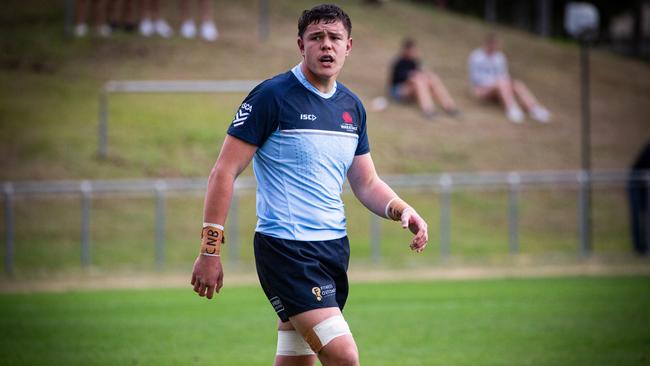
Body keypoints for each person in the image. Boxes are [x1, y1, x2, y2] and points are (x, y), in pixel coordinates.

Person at [190, 4, 428, 366]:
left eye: (335, 38)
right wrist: (210, 250)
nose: (326, 46)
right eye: (317, 38)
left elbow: (366, 182)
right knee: (343, 356)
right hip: (286, 251)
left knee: (296, 360)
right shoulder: (272, 96)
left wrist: (402, 210)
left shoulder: (352, 107)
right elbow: (223, 172)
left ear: (349, 46)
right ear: (301, 44)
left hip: (332, 249)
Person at [468, 33, 551, 123]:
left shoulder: (499, 57)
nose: (497, 48)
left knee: (517, 84)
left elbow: (504, 74)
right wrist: (497, 81)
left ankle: (534, 109)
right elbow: (476, 79)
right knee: (501, 82)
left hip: (501, 86)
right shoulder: (476, 57)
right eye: (495, 45)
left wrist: (506, 81)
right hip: (482, 90)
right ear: (488, 44)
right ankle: (511, 108)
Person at [390, 38, 459, 118]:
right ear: (406, 50)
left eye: (415, 50)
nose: (414, 52)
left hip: (413, 89)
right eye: (412, 50)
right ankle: (428, 110)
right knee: (418, 81)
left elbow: (421, 73)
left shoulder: (415, 62)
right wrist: (413, 76)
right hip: (398, 91)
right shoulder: (399, 62)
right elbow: (399, 79)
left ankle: (449, 106)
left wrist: (426, 76)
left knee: (432, 78)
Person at [627, 141, 650, 256]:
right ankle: (639, 248)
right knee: (637, 217)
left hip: (645, 185)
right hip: (636, 184)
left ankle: (645, 247)